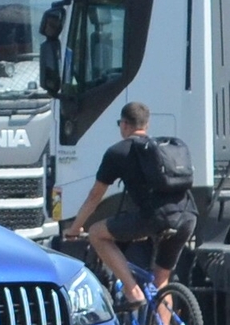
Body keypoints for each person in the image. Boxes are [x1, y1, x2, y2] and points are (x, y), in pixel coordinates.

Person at [63, 101, 197, 312]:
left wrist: (75, 228)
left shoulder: (117, 152)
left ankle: (132, 290)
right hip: (187, 216)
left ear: (124, 124)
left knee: (97, 233)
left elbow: (94, 196)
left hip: (156, 217)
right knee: (161, 282)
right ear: (147, 125)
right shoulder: (161, 151)